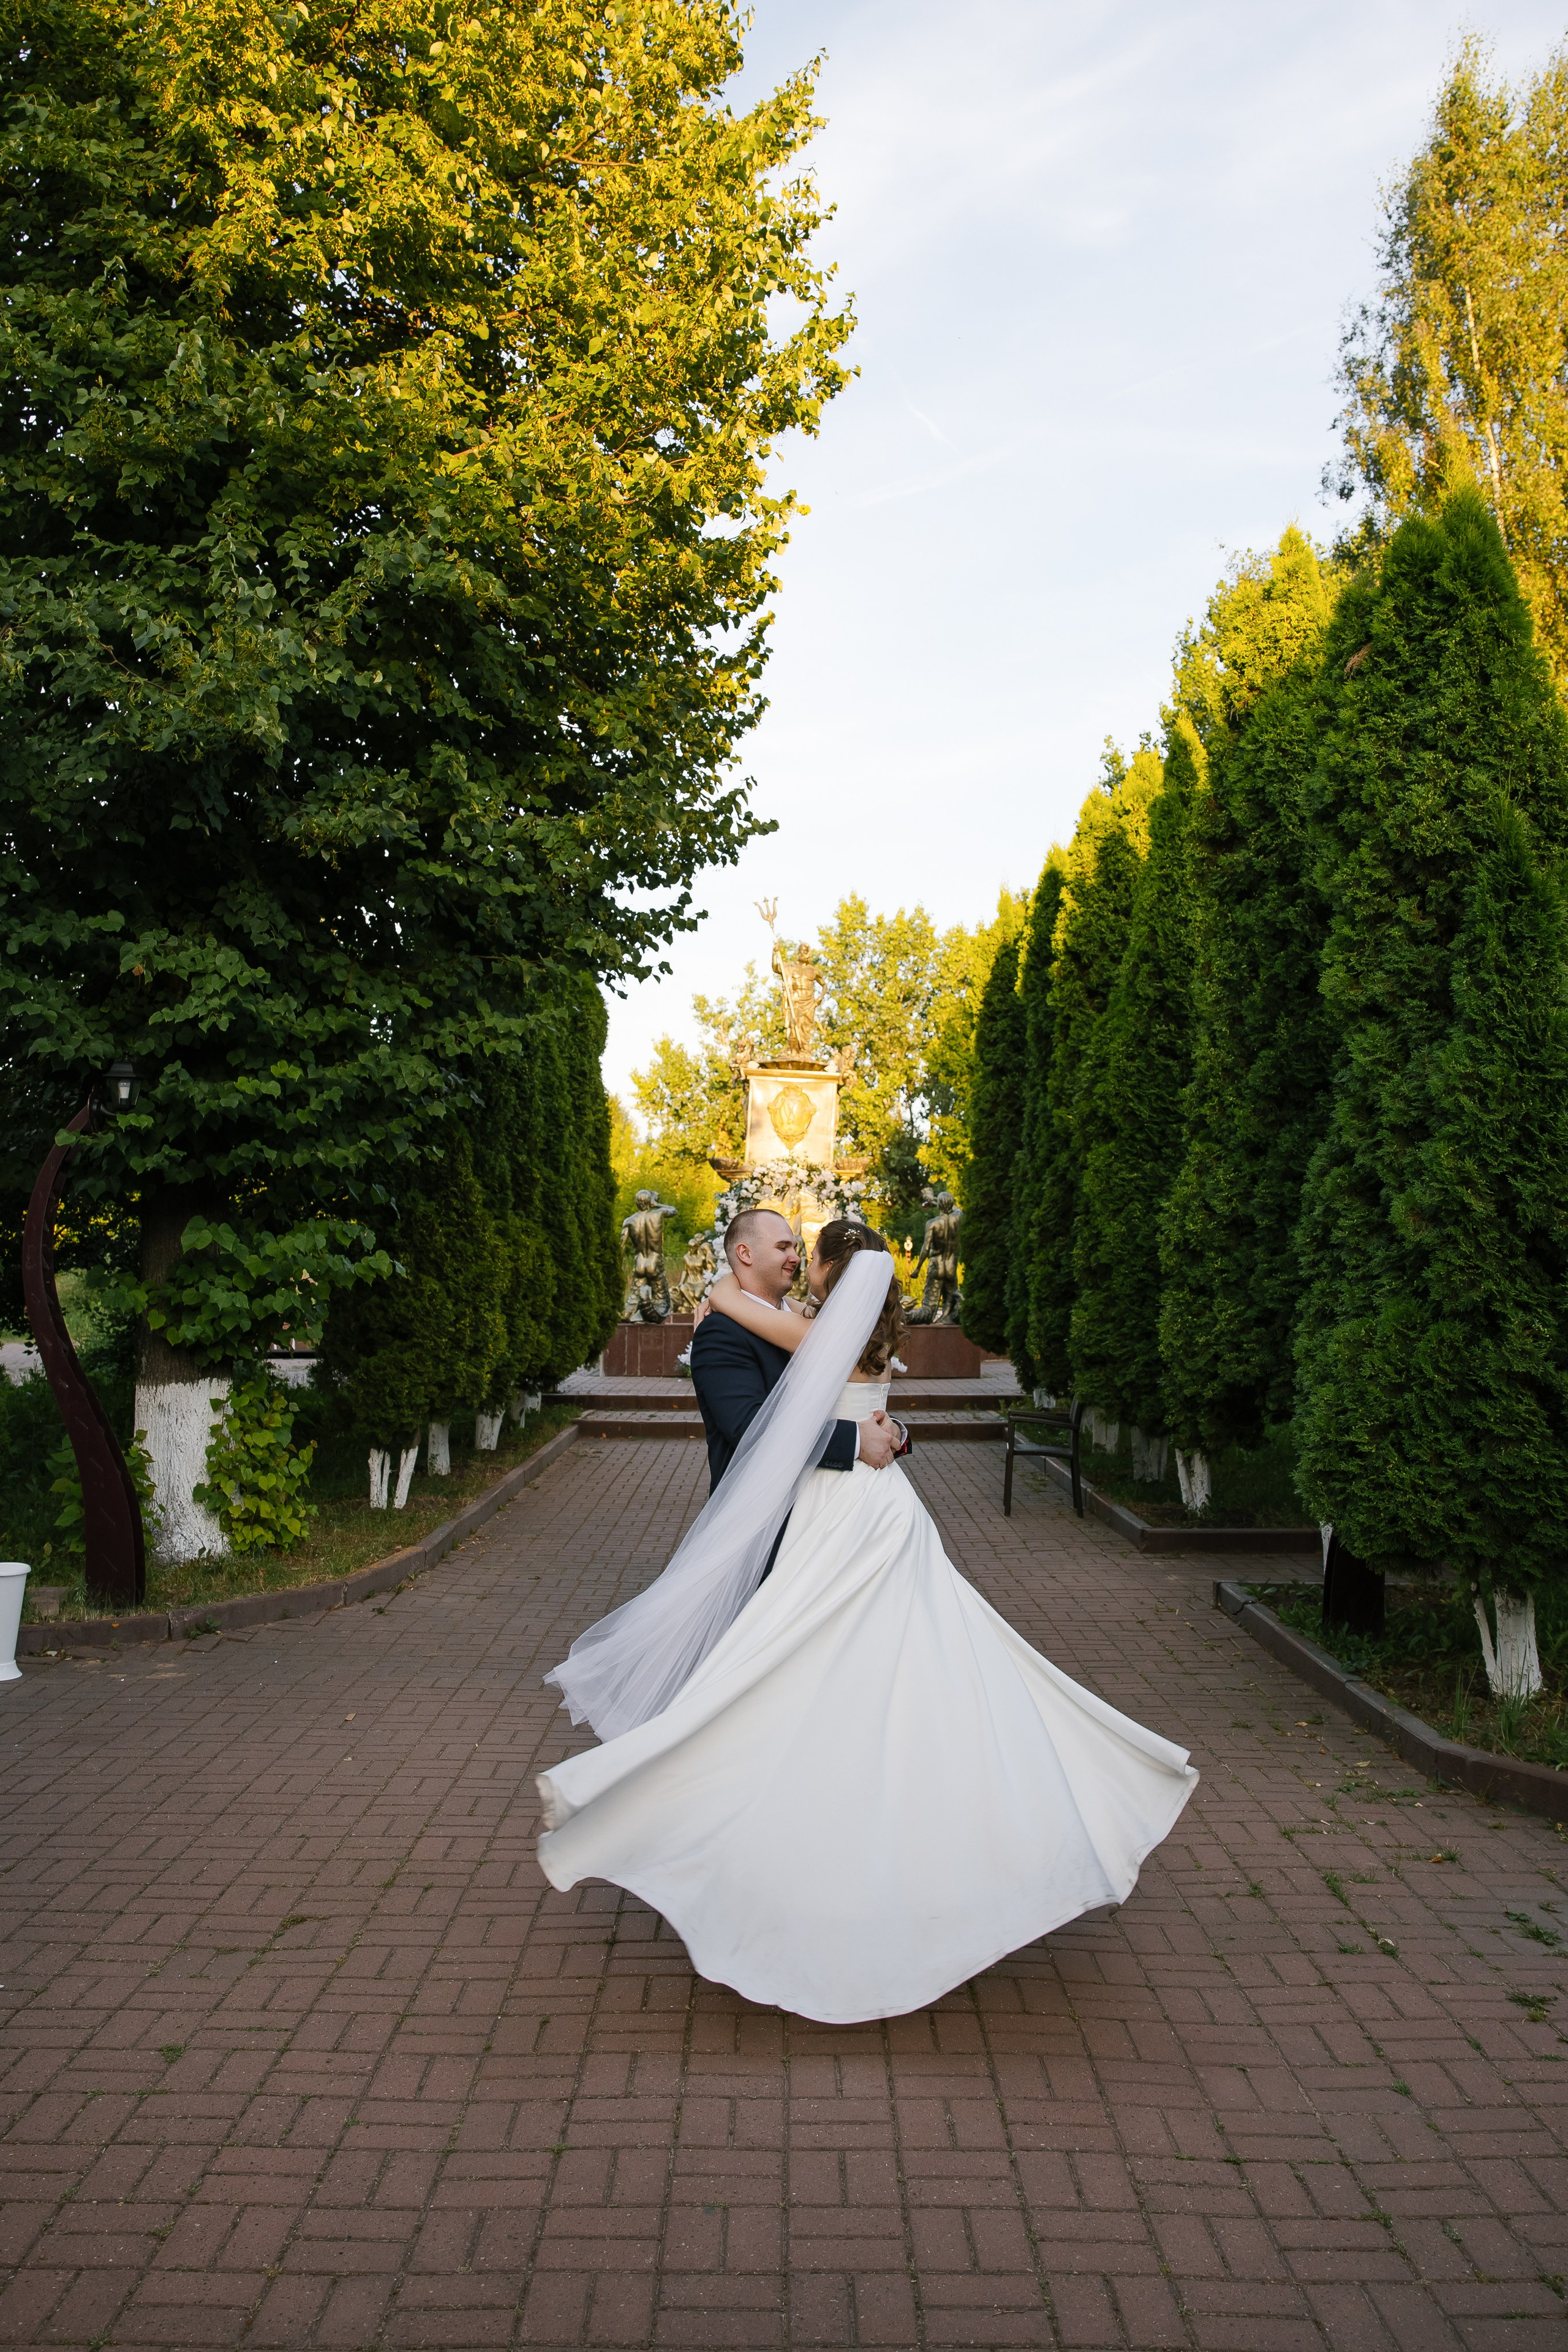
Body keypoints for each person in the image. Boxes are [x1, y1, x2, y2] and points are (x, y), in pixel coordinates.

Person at [537, 1219, 1198, 2026]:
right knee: (811, 1694)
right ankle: (794, 1856)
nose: (793, 1256)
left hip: (845, 1529)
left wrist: (874, 1434)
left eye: (802, 1249)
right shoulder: (728, 1340)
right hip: (806, 1532)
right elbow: (758, 1432)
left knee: (830, 1696)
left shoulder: (798, 1327)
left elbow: (838, 1410)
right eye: (780, 1245)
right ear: (747, 1254)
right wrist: (864, 1435)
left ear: (826, 1272)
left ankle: (825, 1860)